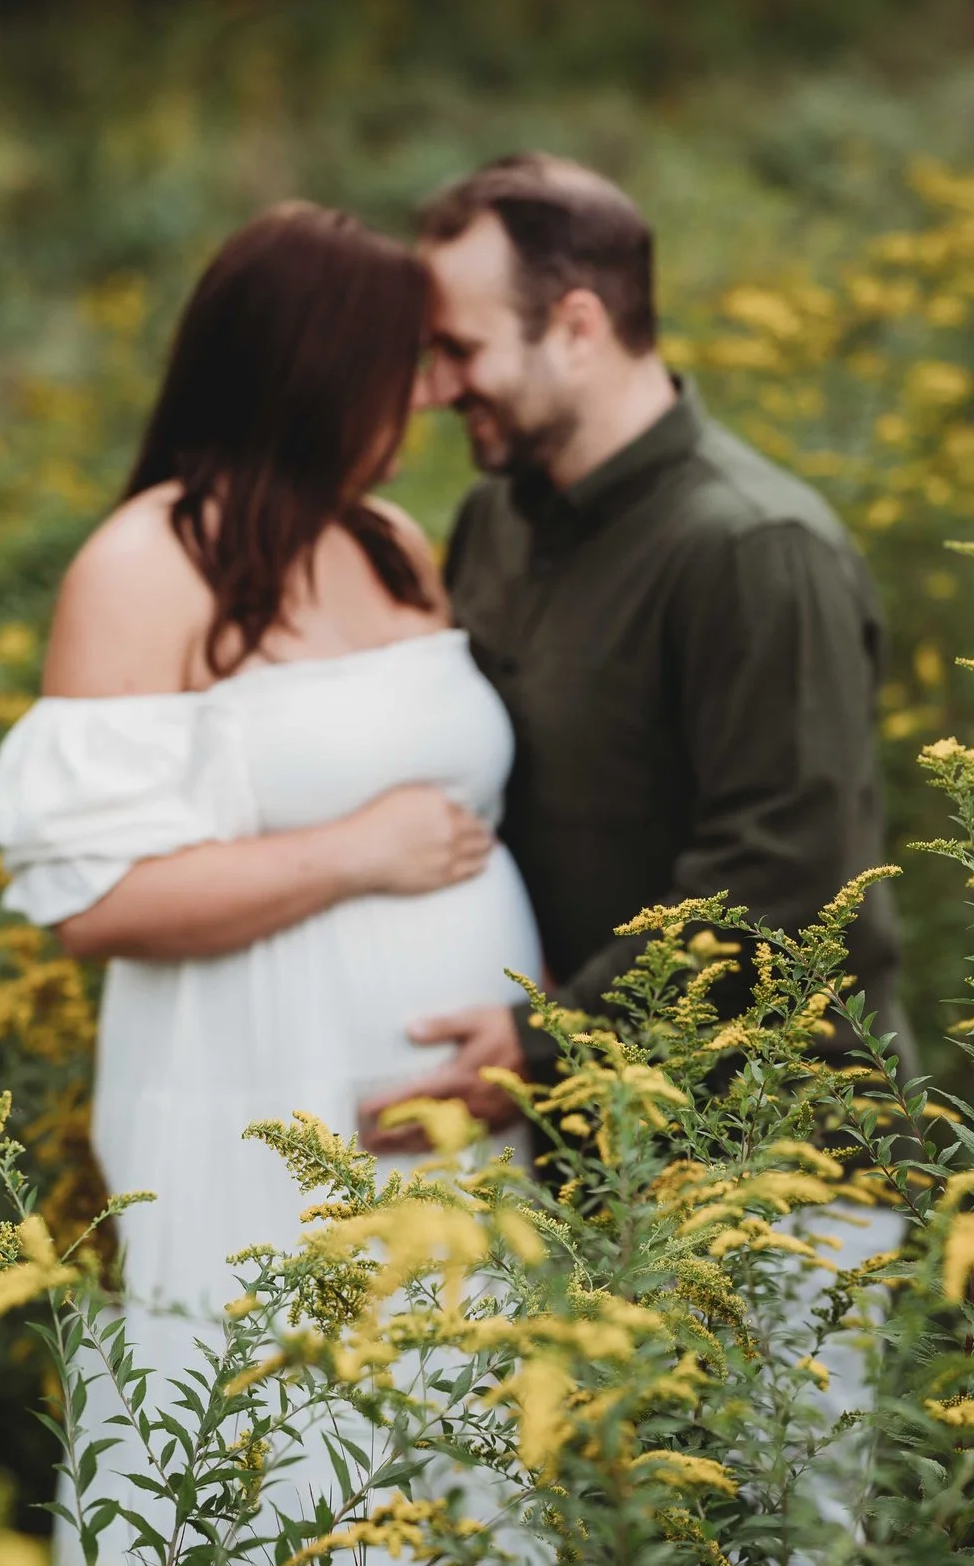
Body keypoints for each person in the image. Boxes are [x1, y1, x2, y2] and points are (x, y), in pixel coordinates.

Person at [0, 202, 543, 1560]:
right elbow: (92, 903)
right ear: (311, 369)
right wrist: (356, 853)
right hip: (257, 1111)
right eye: (399, 366)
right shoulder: (144, 564)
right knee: (280, 1456)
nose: (424, 395)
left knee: (464, 1462)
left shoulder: (390, 539)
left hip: (462, 1124)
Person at [356, 156, 909, 1460]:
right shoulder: (494, 519)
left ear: (582, 324)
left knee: (769, 1537)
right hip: (578, 1159)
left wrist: (539, 1040)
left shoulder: (751, 547)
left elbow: (785, 875)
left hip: (770, 1174)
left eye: (459, 348)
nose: (433, 389)